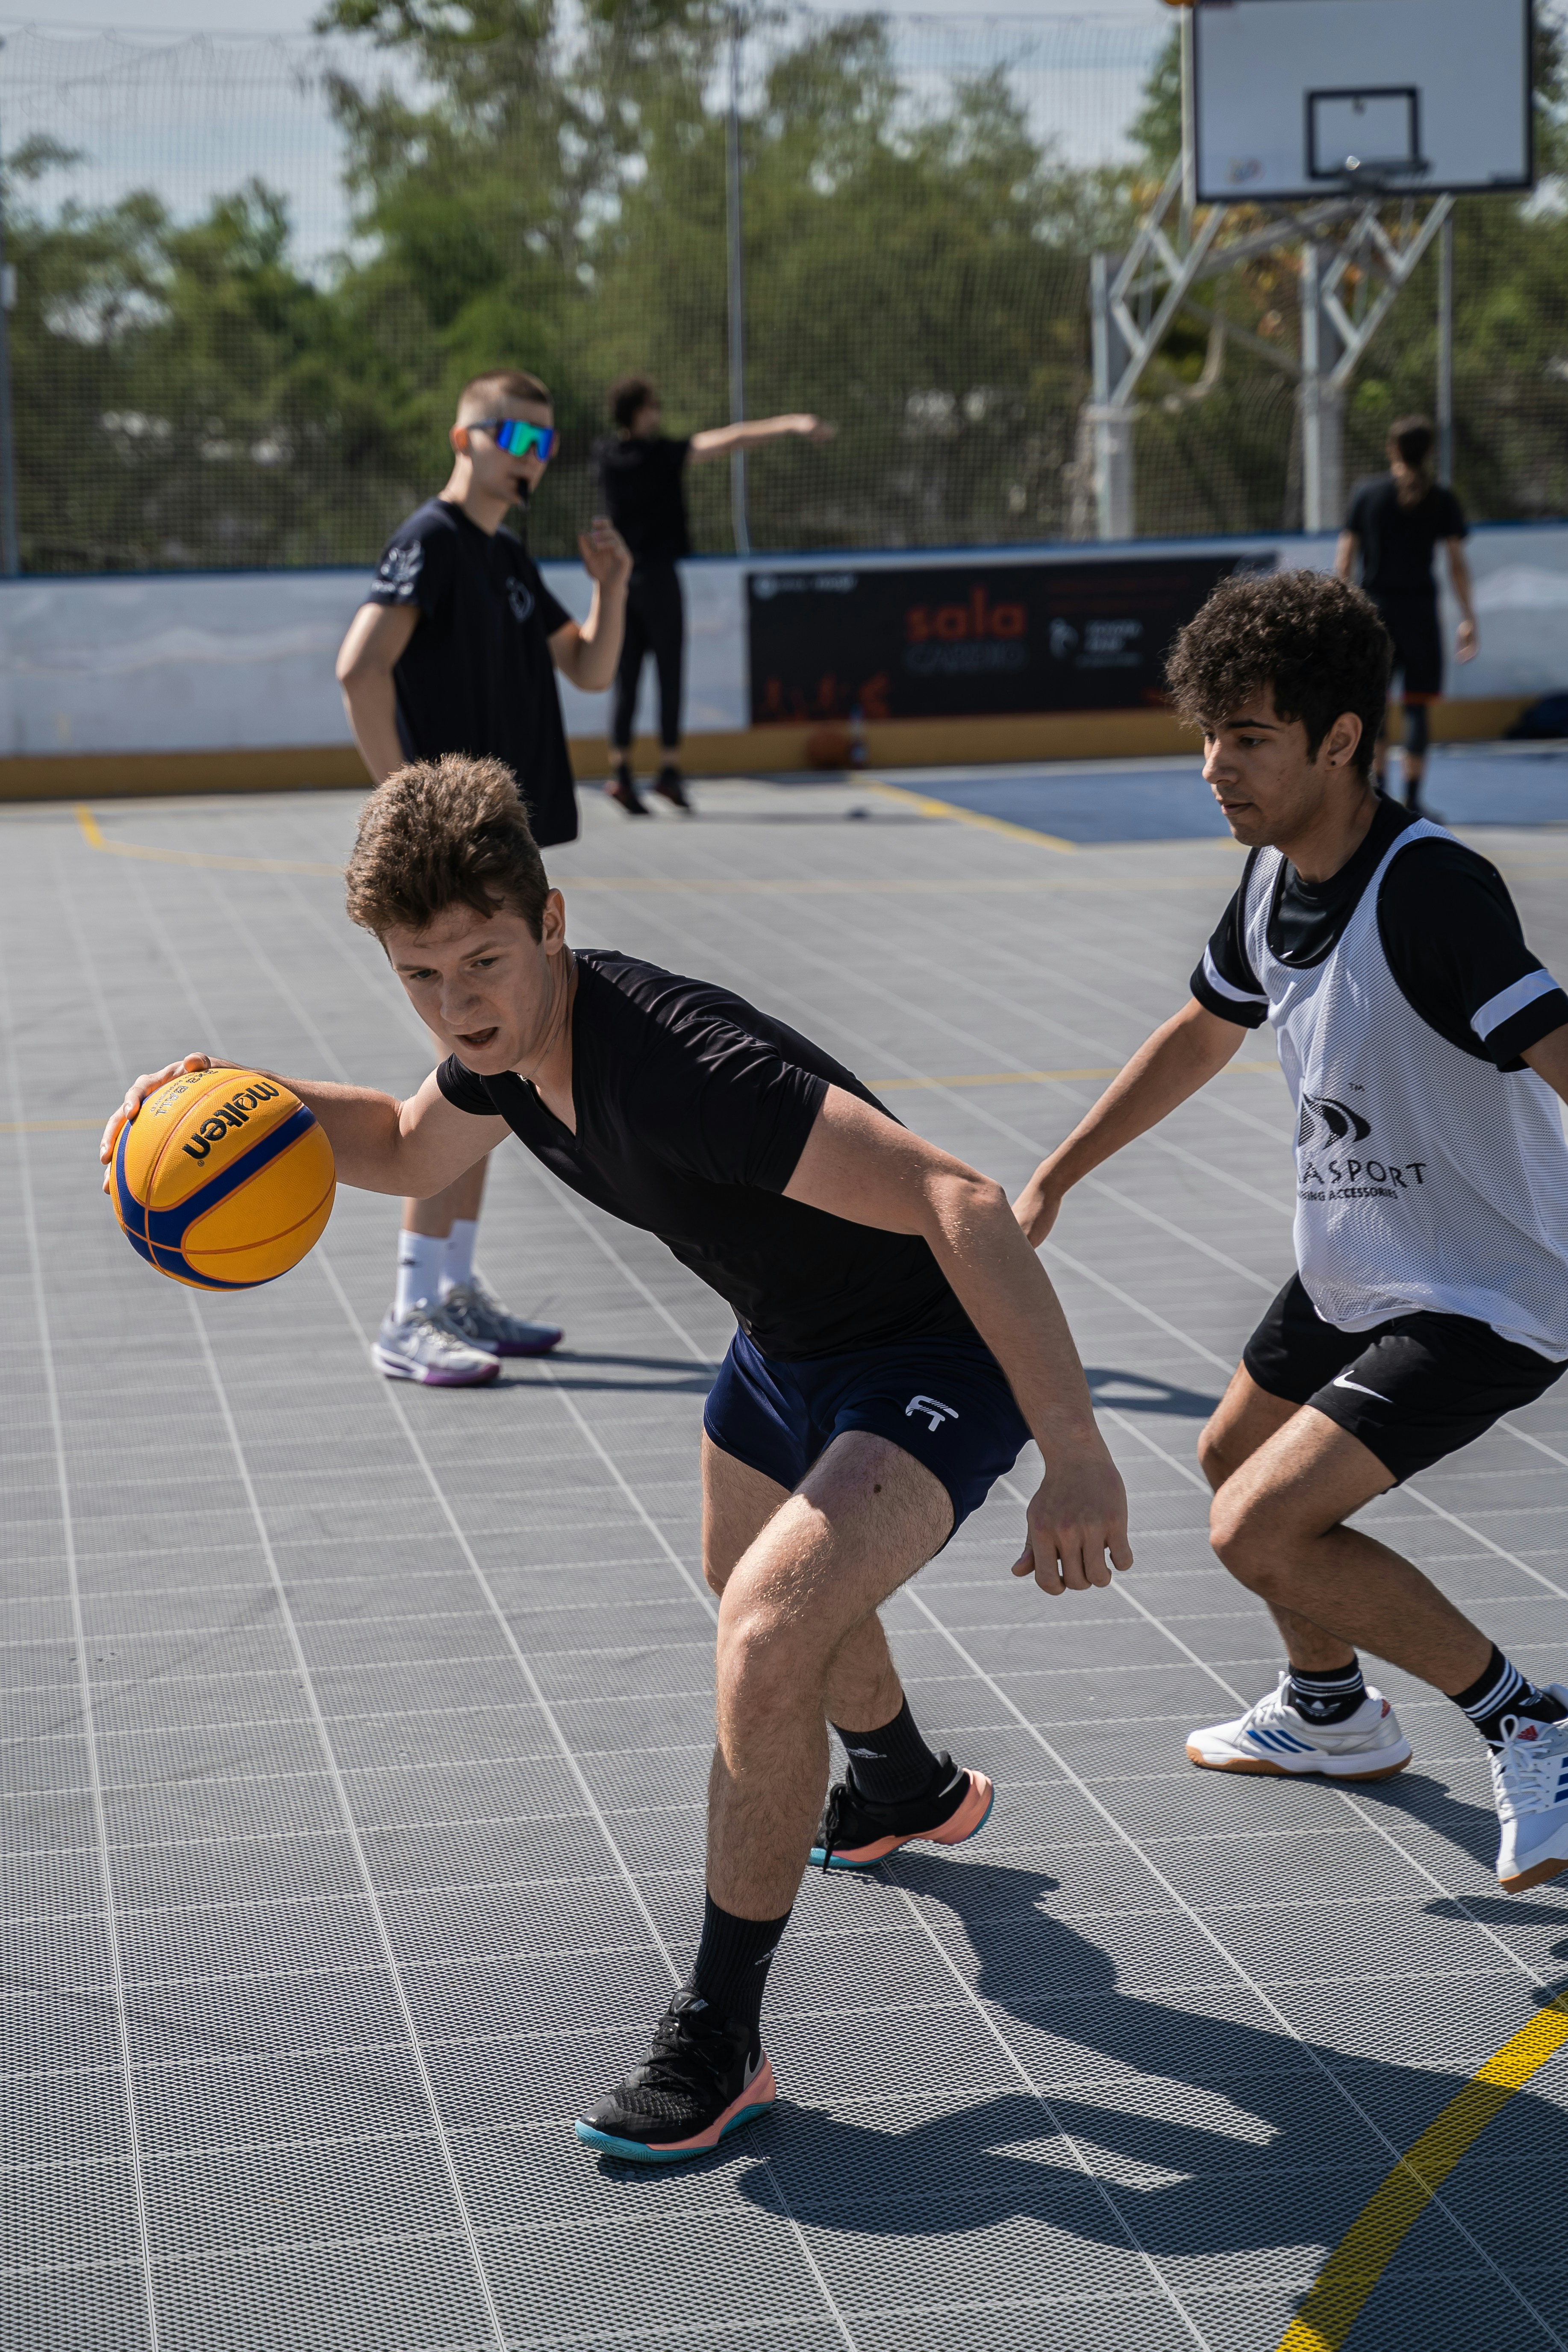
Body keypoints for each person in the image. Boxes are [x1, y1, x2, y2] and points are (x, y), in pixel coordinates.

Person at [100, 751, 1131, 2164]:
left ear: (550, 922)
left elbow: (958, 1197)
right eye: (419, 976)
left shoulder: (683, 1071)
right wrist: (232, 1099)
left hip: (928, 1351)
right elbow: (401, 1146)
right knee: (744, 1577)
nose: (457, 1005)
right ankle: (902, 1785)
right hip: (785, 1340)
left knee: (766, 1636)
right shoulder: (508, 1059)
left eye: (481, 961)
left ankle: (720, 2032)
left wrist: (1075, 1451)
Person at [1015, 568, 1568, 1897]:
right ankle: (1328, 1711)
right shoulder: (1269, 880)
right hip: (1359, 1260)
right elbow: (1201, 1031)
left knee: (1255, 1528)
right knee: (1230, 1451)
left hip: (1484, 1287)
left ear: (1339, 741)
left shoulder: (1431, 891)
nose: (1214, 766)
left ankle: (1527, 1721)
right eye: (1208, 734)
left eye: (1249, 738)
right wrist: (1053, 1177)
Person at [334, 368, 632, 1385]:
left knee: (493, 1075)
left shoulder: (504, 555)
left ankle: (452, 1286)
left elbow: (589, 668)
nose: (533, 456)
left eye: (547, 442)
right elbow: (359, 669)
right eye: (517, 435)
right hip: (449, 872)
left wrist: (611, 586)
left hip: (498, 860)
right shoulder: (433, 540)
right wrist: (406, 809)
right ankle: (412, 1308)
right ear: (465, 436)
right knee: (467, 1075)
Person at [595, 377, 836, 814]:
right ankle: (669, 769)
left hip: (621, 581)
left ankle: (622, 772)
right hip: (659, 577)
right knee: (669, 673)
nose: (659, 412)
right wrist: (792, 423)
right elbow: (732, 439)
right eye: (654, 405)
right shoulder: (663, 454)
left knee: (625, 679)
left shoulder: (607, 456)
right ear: (639, 411)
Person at [1336, 414, 1477, 817]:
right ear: (1427, 451)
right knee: (1417, 707)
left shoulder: (1367, 494)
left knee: (1375, 706)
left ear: (1392, 449)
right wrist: (1468, 617)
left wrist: (1342, 611)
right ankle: (1413, 800)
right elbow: (1456, 564)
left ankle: (1378, 797)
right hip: (1419, 615)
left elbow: (1345, 559)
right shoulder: (1440, 498)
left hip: (1374, 612)